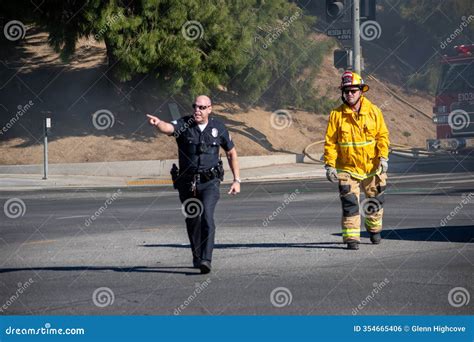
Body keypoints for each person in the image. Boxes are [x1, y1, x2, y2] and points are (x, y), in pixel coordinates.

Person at [146, 95, 241, 273]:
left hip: (210, 183)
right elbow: (168, 128)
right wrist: (158, 123)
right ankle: (197, 257)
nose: (197, 110)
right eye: (195, 106)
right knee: (192, 219)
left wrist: (237, 180)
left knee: (206, 216)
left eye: (202, 107)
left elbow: (231, 153)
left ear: (210, 109)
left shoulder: (218, 128)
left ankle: (206, 259)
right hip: (187, 183)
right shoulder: (185, 124)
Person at [323, 71, 390, 250]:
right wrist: (329, 165)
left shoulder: (374, 112)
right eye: (346, 91)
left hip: (372, 167)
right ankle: (352, 238)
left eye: (353, 90)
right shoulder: (336, 115)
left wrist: (383, 157)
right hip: (347, 168)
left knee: (375, 202)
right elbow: (330, 142)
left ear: (361, 91)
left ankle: (374, 230)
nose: (349, 94)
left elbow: (382, 136)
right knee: (350, 203)